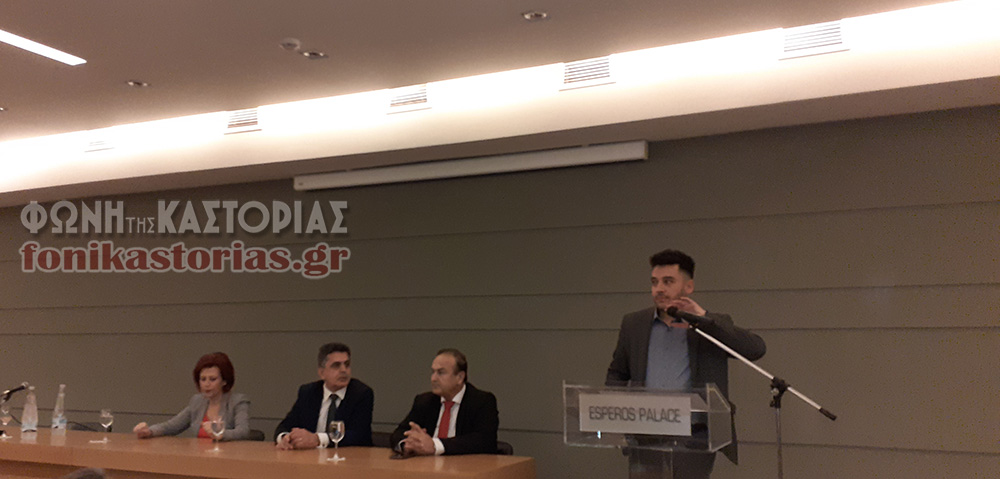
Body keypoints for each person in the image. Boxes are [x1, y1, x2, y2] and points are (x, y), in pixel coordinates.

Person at [606, 249, 766, 478]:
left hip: (694, 438)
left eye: (668, 281)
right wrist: (617, 417)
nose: (659, 289)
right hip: (645, 436)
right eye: (654, 282)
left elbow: (755, 349)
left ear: (688, 287)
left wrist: (703, 317)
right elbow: (617, 374)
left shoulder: (708, 326)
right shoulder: (634, 324)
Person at [390, 348, 499, 456]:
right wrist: (407, 444)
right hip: (427, 464)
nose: (433, 378)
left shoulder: (482, 401)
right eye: (433, 372)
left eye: (441, 373)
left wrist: (435, 445)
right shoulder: (424, 401)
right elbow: (399, 433)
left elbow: (484, 441)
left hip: (466, 464)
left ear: (460, 377)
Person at [274, 342, 373, 449]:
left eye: (347, 364)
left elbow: (358, 435)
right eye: (336, 365)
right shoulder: (308, 392)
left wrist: (317, 439)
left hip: (350, 456)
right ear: (322, 373)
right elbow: (285, 426)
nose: (344, 370)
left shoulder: (361, 393)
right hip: (310, 456)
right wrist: (285, 438)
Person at [133, 352, 251, 441]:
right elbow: (172, 426)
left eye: (212, 379)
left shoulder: (238, 401)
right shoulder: (197, 401)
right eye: (203, 379)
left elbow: (243, 431)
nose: (207, 384)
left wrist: (220, 433)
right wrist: (149, 431)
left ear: (224, 381)